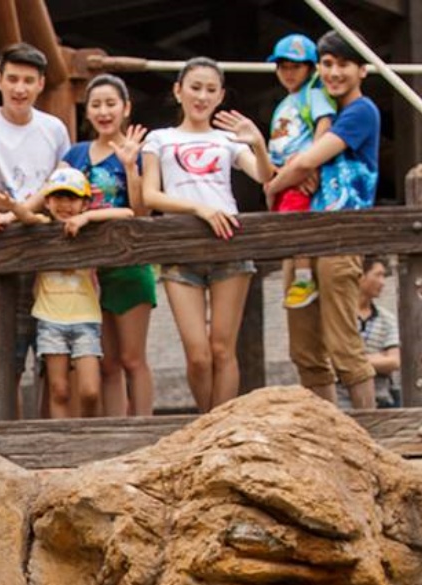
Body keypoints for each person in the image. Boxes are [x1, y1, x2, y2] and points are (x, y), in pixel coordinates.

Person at [141, 57, 274, 413]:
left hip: (228, 245)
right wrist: (198, 209)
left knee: (221, 349)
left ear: (220, 97)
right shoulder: (160, 139)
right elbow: (150, 196)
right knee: (198, 354)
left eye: (210, 90)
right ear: (178, 90)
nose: (201, 96)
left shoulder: (227, 139)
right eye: (195, 87)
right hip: (181, 249)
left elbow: (265, 176)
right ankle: (207, 422)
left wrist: (257, 143)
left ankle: (221, 428)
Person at [266, 30, 382, 411]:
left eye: (344, 64)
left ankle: (368, 434)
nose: (334, 73)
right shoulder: (309, 111)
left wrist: (276, 184)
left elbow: (304, 162)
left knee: (343, 343)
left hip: (340, 234)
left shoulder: (360, 112)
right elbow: (296, 158)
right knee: (305, 349)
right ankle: (326, 434)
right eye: (328, 64)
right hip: (302, 236)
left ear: (362, 69)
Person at [0, 42, 71, 410]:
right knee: (5, 351)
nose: (19, 88)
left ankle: (47, 435)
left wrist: (20, 210)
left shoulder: (53, 129)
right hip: (1, 243)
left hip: (45, 239)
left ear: (40, 84)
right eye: (12, 79)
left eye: (27, 80)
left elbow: (61, 180)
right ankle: (9, 431)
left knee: (52, 351)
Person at [0, 165, 135, 417]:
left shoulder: (90, 231)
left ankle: (87, 433)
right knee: (59, 388)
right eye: (58, 197)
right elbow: (27, 217)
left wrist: (86, 218)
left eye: (72, 198)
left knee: (89, 390)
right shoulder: (43, 225)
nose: (65, 205)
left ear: (85, 203)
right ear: (47, 201)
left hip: (86, 318)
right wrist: (12, 207)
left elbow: (128, 213)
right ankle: (60, 434)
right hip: (50, 319)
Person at [57, 74, 156, 416]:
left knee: (132, 357)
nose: (103, 111)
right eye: (96, 105)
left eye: (111, 104)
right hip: (86, 271)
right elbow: (53, 199)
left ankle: (144, 429)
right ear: (87, 112)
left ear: (126, 108)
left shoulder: (140, 154)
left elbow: (142, 212)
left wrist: (130, 167)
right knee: (109, 363)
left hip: (128, 264)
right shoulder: (75, 154)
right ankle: (116, 431)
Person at [264, 33, 335, 311]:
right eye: (283, 67)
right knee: (284, 220)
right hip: (284, 171)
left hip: (301, 171)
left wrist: (312, 159)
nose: (289, 73)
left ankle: (304, 277)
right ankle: (298, 272)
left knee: (294, 218)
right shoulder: (285, 103)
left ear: (310, 68)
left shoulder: (313, 94)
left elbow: (324, 124)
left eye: (296, 66)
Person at [357, 255, 401, 408]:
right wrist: (378, 357)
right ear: (361, 276)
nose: (383, 282)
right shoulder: (340, 317)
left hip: (382, 398)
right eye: (378, 275)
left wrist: (356, 359)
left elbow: (394, 361)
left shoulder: (386, 318)